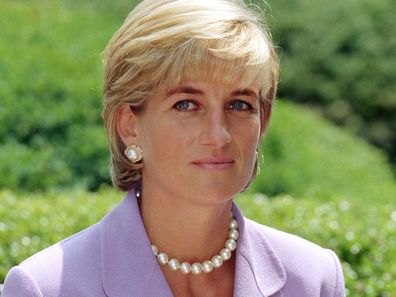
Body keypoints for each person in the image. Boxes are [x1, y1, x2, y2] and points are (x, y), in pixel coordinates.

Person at [2, 0, 346, 296]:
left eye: (240, 105)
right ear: (129, 125)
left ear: (263, 121)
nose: (219, 134)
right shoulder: (46, 288)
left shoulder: (314, 280)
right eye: (186, 105)